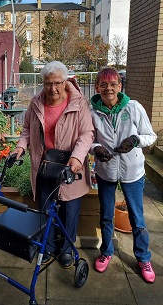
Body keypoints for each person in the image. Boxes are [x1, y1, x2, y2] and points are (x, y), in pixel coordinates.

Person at [12, 61, 94, 268]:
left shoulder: (79, 102)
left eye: (57, 83)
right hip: (44, 165)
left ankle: (66, 249)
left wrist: (77, 158)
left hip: (69, 166)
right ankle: (47, 246)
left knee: (69, 209)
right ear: (43, 83)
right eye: (48, 83)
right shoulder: (36, 102)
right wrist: (20, 147)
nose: (53, 88)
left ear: (65, 82)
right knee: (46, 208)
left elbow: (87, 133)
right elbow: (26, 128)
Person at [90, 67, 157, 283]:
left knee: (137, 219)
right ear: (97, 87)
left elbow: (150, 135)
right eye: (103, 84)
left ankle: (143, 258)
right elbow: (88, 139)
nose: (108, 88)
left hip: (133, 172)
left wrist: (135, 140)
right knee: (106, 215)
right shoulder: (92, 112)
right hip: (106, 171)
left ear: (120, 86)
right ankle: (107, 251)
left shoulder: (134, 107)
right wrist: (96, 148)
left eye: (113, 84)